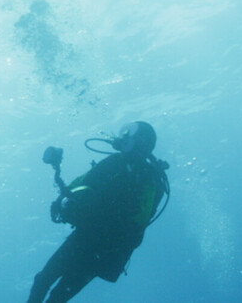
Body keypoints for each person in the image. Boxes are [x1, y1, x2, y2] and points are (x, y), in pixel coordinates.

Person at [26, 122, 170, 303]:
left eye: (128, 134)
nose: (122, 137)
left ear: (142, 141)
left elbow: (140, 219)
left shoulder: (150, 178)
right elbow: (85, 180)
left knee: (58, 294)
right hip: (86, 235)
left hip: (105, 249)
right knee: (44, 280)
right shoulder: (115, 161)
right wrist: (60, 201)